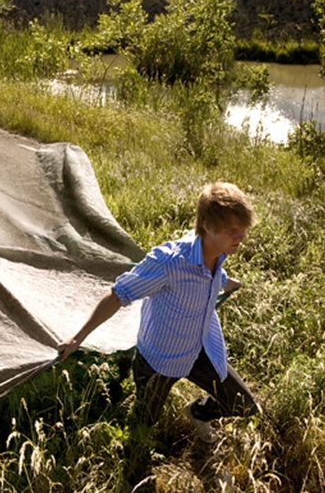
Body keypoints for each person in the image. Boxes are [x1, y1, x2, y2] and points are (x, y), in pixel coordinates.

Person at [57, 182, 259, 442]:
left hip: (199, 351)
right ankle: (134, 467)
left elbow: (210, 274)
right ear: (208, 225)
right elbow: (118, 294)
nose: (240, 237)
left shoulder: (219, 251)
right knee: (144, 426)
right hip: (158, 361)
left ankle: (197, 413)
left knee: (243, 404)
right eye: (233, 230)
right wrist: (78, 337)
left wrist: (225, 282)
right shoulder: (169, 262)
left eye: (242, 229)